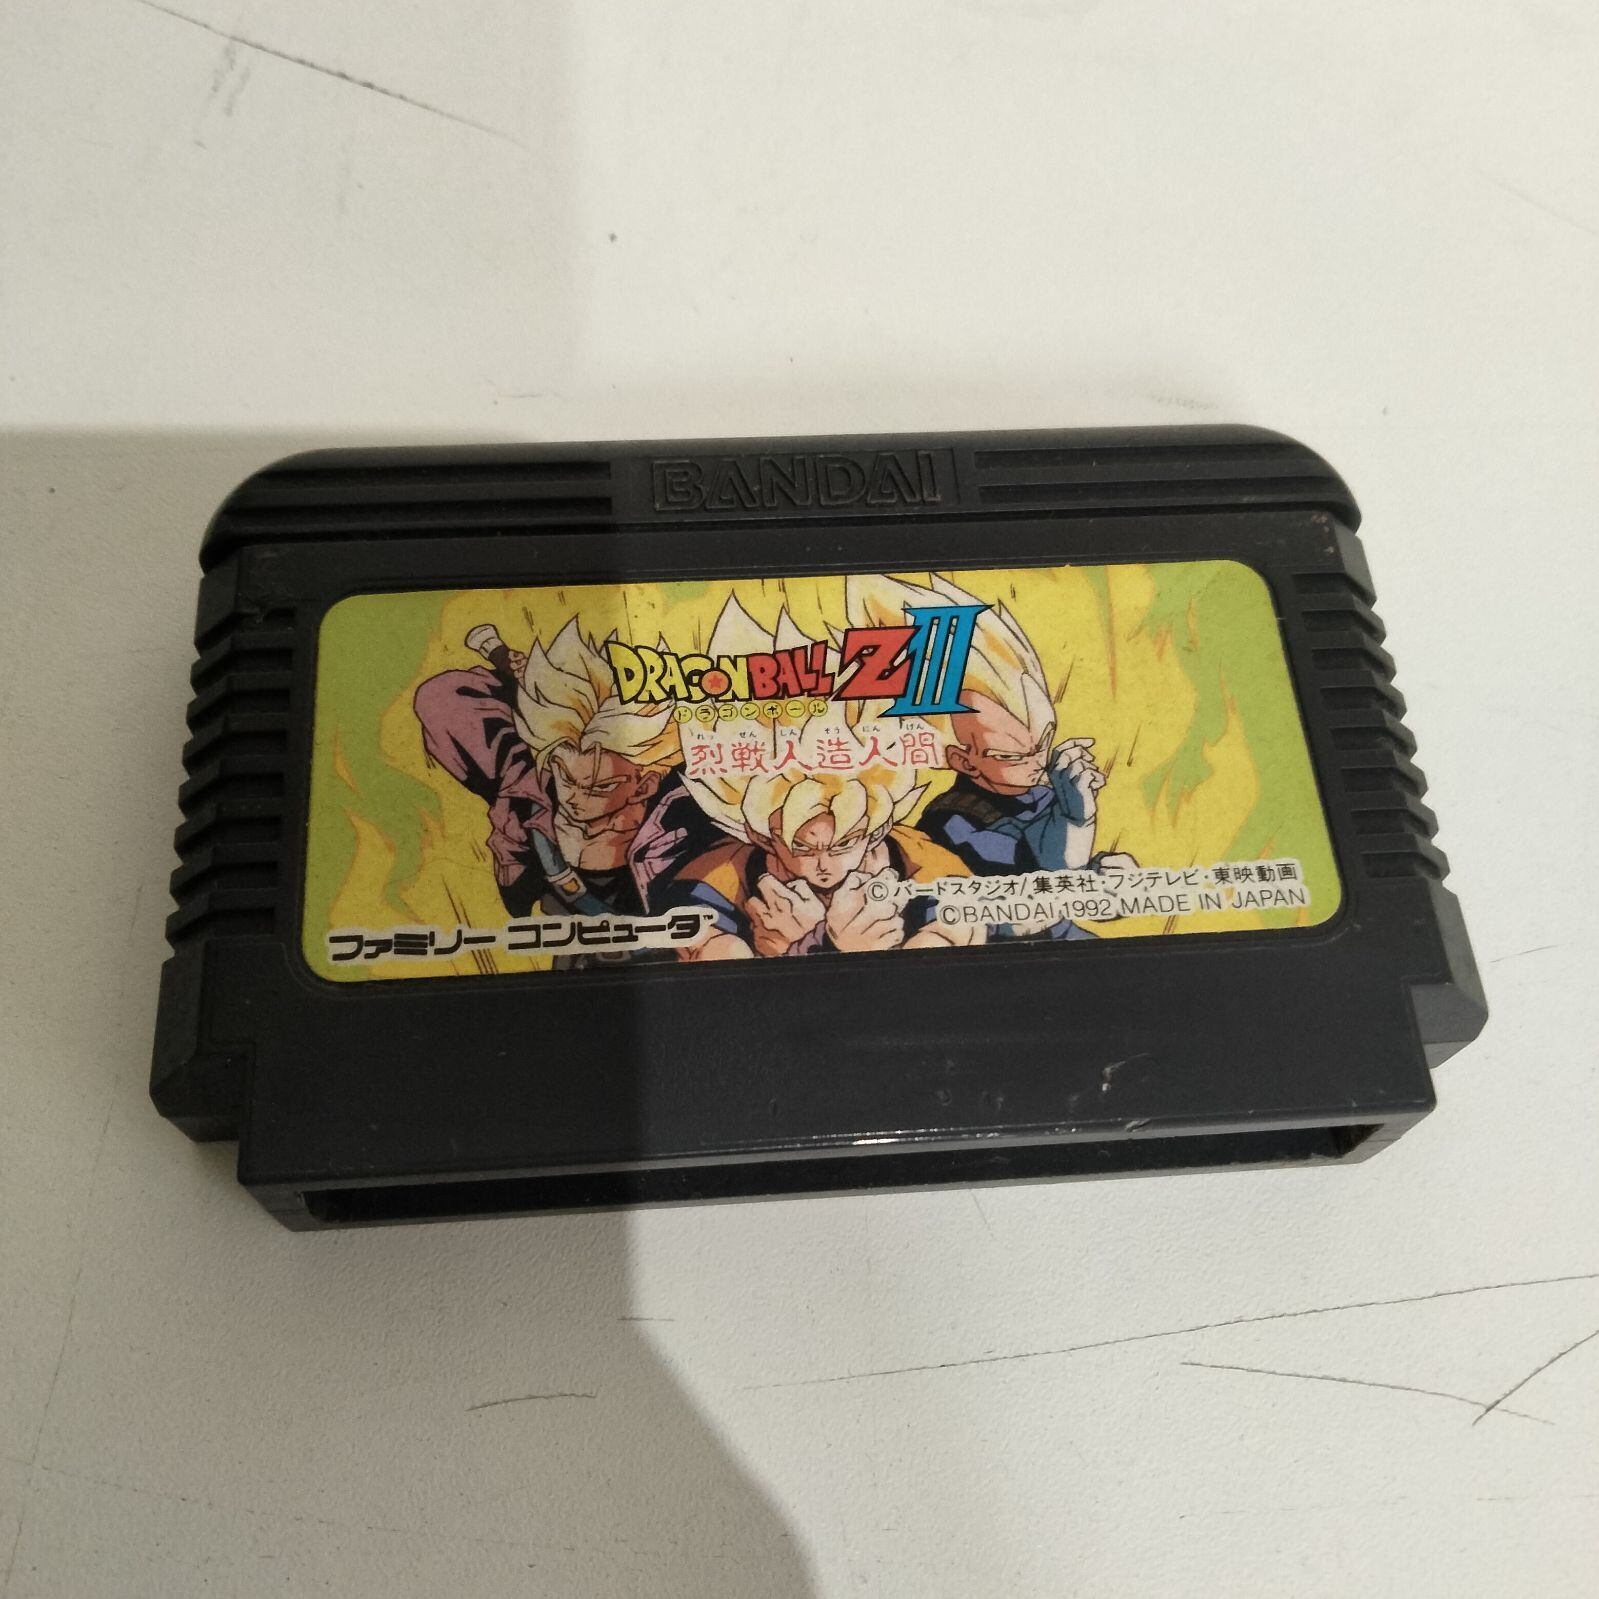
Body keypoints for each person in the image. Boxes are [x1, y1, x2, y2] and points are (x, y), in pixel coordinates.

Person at [664, 596, 981, 960]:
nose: (825, 866)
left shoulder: (924, 862)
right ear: (761, 837)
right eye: (802, 848)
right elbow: (709, 952)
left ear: (877, 829)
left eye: (844, 843)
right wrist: (795, 949)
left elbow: (954, 935)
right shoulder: (718, 878)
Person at [845, 573, 1135, 940]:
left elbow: (1073, 887)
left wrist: (1111, 881)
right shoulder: (951, 823)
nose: (1037, 761)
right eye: (1012, 756)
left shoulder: (1045, 792)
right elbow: (1036, 881)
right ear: (964, 761)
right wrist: (1077, 823)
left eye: (1044, 741)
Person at [412, 618, 713, 927]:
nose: (573, 797)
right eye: (566, 777)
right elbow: (438, 698)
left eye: (599, 787)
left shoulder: (687, 818)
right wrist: (520, 688)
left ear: (644, 786)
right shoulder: (530, 790)